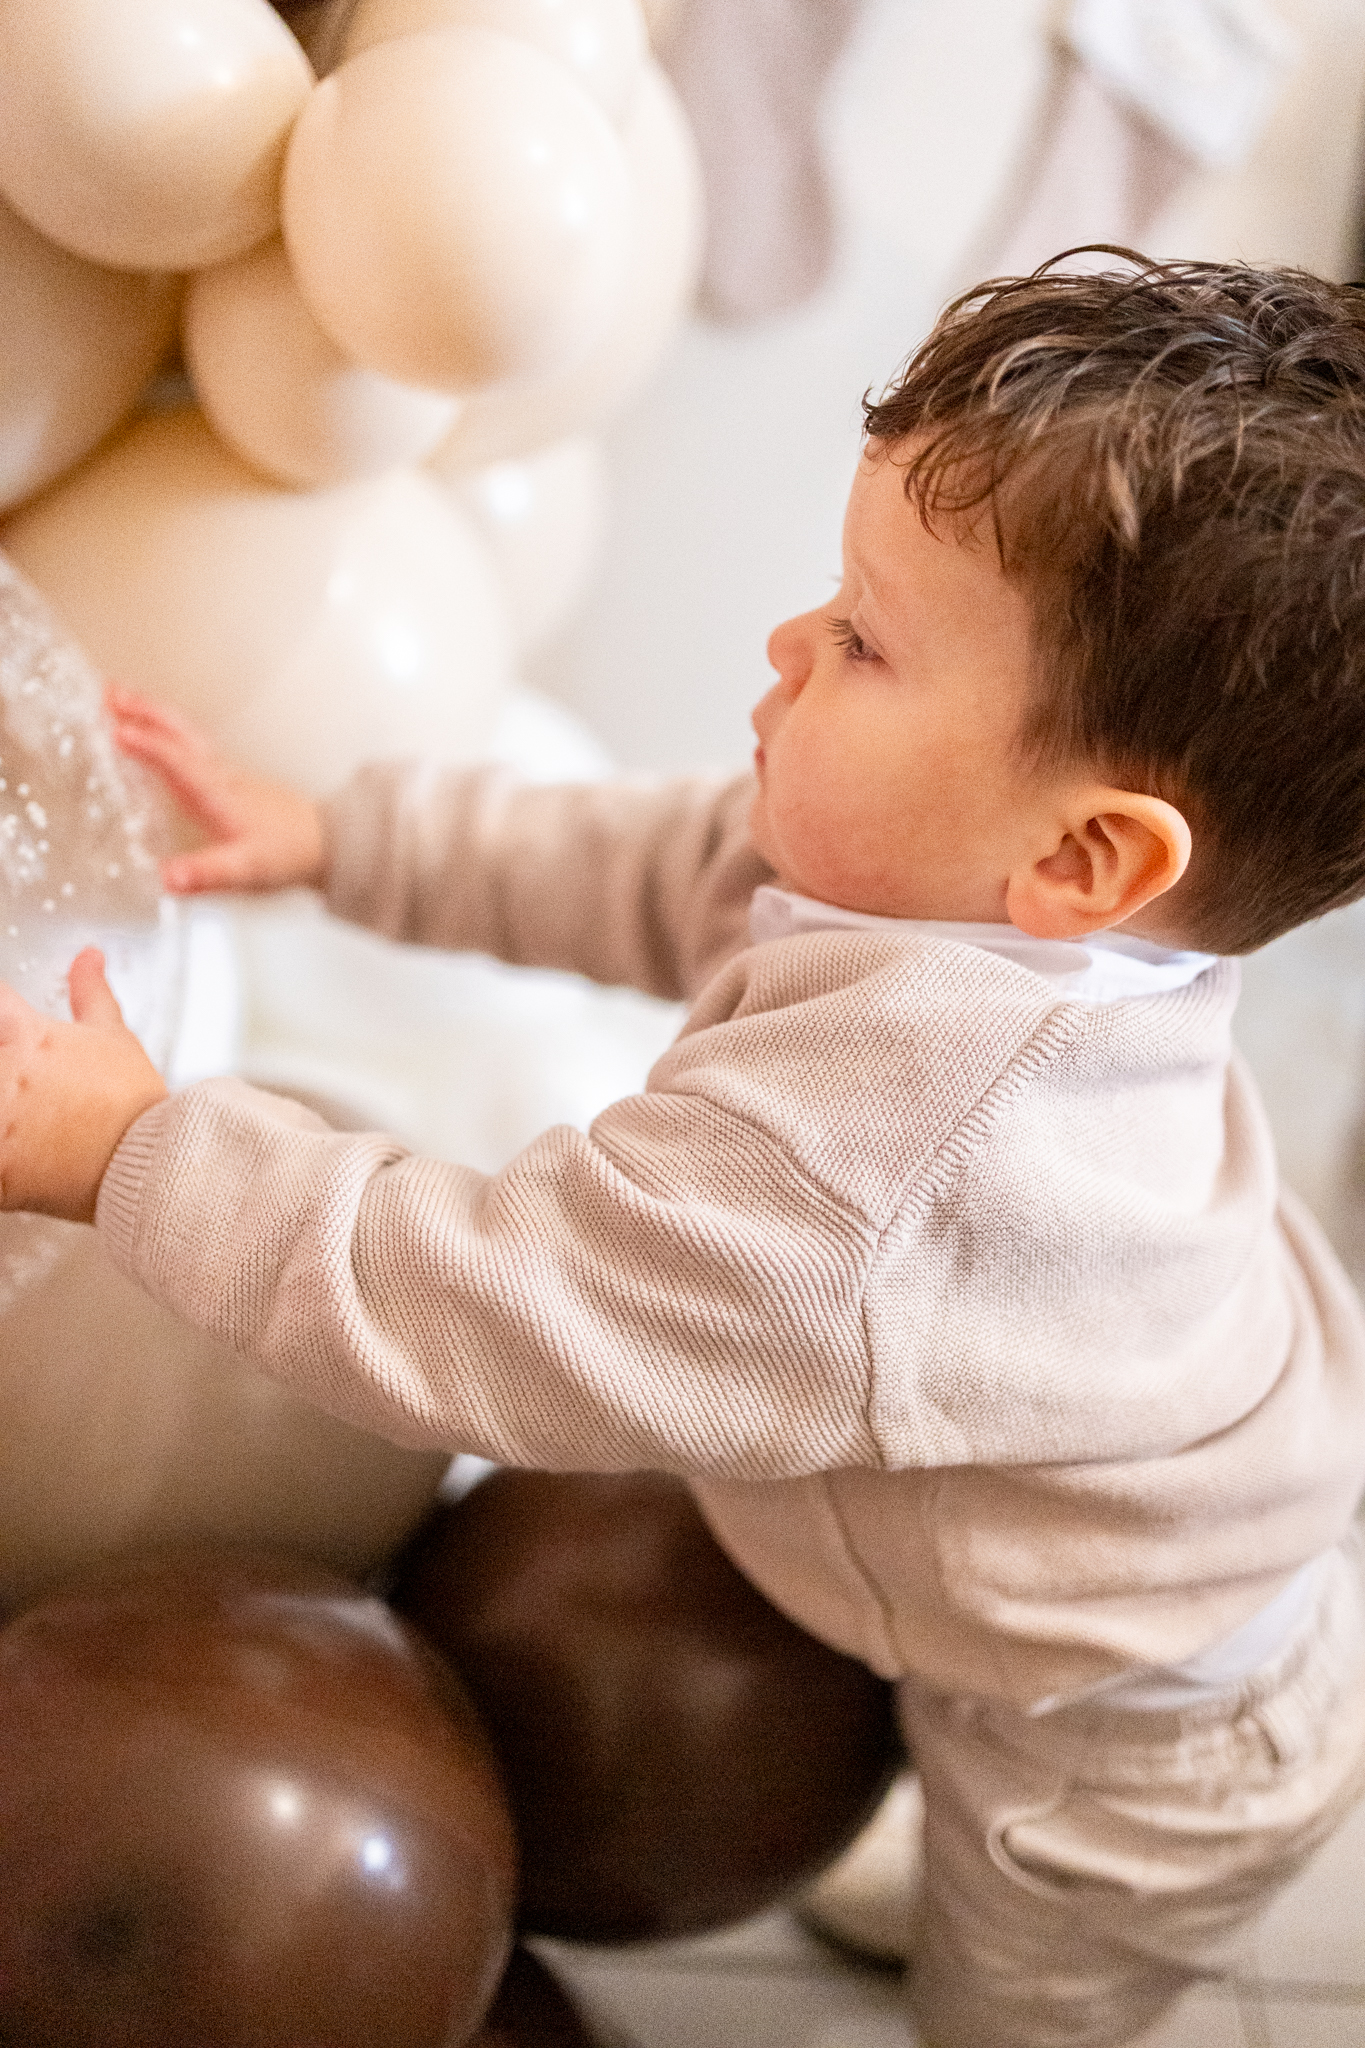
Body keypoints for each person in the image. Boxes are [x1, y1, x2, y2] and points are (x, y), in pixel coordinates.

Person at [5, 255, 1365, 2047]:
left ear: (1090, 862)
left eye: (865, 641)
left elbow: (495, 1304)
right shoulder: (946, 883)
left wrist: (139, 1154)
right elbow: (652, 864)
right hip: (1090, 1502)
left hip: (1132, 1727)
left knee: (1023, 2006)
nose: (791, 647)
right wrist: (347, 839)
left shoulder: (897, 1159)